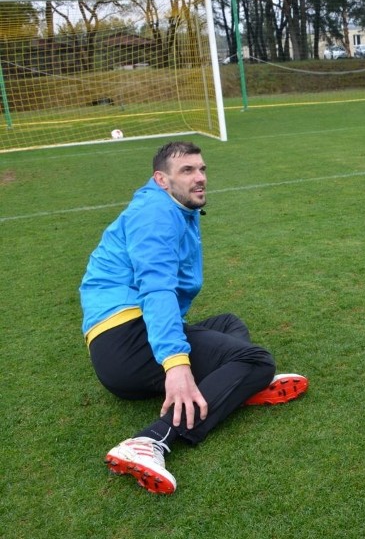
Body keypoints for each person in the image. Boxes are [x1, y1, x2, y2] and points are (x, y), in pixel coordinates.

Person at [80, 141, 308, 494]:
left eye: (201, 169)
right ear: (161, 179)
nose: (199, 178)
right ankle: (149, 440)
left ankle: (232, 388)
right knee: (257, 361)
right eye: (187, 171)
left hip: (125, 341)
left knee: (229, 324)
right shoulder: (155, 215)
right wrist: (176, 364)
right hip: (124, 341)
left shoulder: (174, 207)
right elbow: (156, 290)